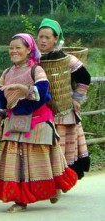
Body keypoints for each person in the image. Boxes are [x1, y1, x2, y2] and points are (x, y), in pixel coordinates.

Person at [0, 33, 78, 213]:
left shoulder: (36, 70)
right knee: (16, 162)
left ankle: (52, 188)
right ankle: (20, 200)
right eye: (11, 48)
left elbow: (43, 93)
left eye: (18, 48)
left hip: (37, 121)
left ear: (29, 50)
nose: (13, 51)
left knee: (42, 161)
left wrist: (23, 89)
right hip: (14, 122)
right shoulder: (6, 73)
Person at [37, 18, 91, 180]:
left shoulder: (66, 59)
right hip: (42, 110)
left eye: (48, 37)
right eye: (41, 37)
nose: (44, 40)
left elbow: (85, 78)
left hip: (62, 110)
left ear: (55, 39)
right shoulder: (35, 58)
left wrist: (77, 98)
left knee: (61, 146)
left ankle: (62, 179)